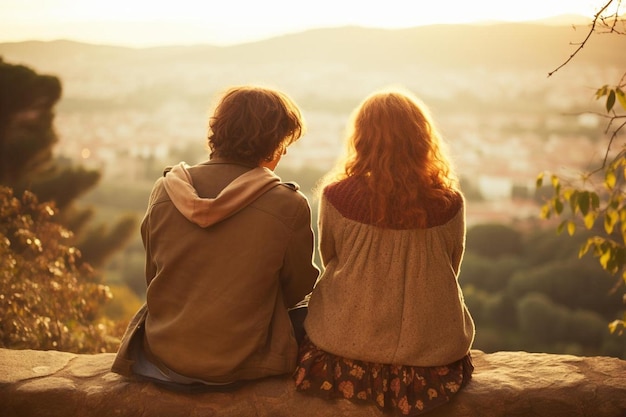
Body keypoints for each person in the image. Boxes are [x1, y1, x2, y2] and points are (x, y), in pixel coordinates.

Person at [112, 85, 319, 388]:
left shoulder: (165, 190)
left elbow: (154, 273)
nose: (285, 152)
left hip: (164, 355)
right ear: (273, 142)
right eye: (285, 142)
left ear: (218, 132)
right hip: (243, 361)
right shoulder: (288, 204)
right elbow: (298, 287)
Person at [293, 87, 475, 415]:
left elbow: (330, 258)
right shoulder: (450, 202)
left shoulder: (336, 196)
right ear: (421, 139)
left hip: (342, 349)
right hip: (432, 358)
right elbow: (452, 265)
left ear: (361, 138)